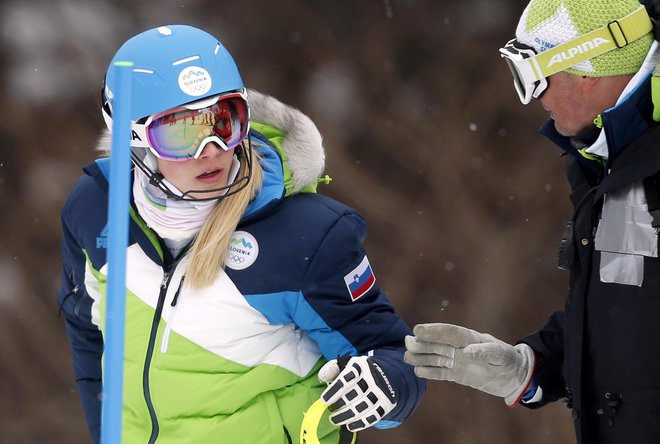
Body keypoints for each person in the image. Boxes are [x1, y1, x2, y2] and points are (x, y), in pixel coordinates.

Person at [56, 24, 425, 444]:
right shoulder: (96, 207)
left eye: (224, 121)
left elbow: (392, 352)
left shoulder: (305, 236)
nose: (212, 148)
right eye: (182, 133)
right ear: (134, 141)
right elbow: (87, 330)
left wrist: (385, 384)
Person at [404, 0, 660, 443]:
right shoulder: (609, 163)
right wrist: (530, 368)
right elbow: (627, 315)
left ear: (587, 69)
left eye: (531, 76)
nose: (534, 98)